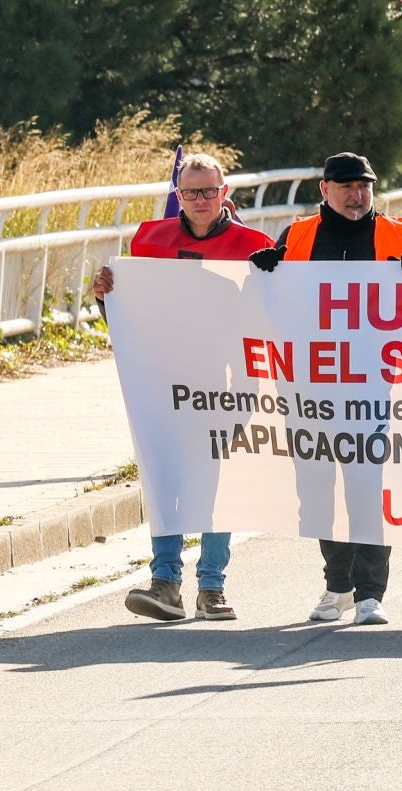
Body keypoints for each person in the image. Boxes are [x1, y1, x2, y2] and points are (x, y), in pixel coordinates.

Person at [248, 152, 402, 627]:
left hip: (370, 388)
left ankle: (370, 594)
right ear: (325, 190)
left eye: (364, 186)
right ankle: (337, 585)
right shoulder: (298, 236)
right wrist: (264, 273)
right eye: (346, 186)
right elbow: (266, 309)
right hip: (310, 387)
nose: (357, 194)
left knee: (365, 487)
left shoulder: (397, 235)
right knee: (317, 491)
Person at [97, 153, 275, 623]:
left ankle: (211, 588)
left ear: (225, 193)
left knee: (219, 486)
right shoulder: (149, 241)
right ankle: (166, 583)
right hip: (163, 383)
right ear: (178, 196)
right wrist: (108, 296)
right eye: (191, 192)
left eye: (208, 191)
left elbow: (272, 316)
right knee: (166, 480)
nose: (199, 200)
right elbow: (132, 317)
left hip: (226, 385)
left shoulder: (254, 246)